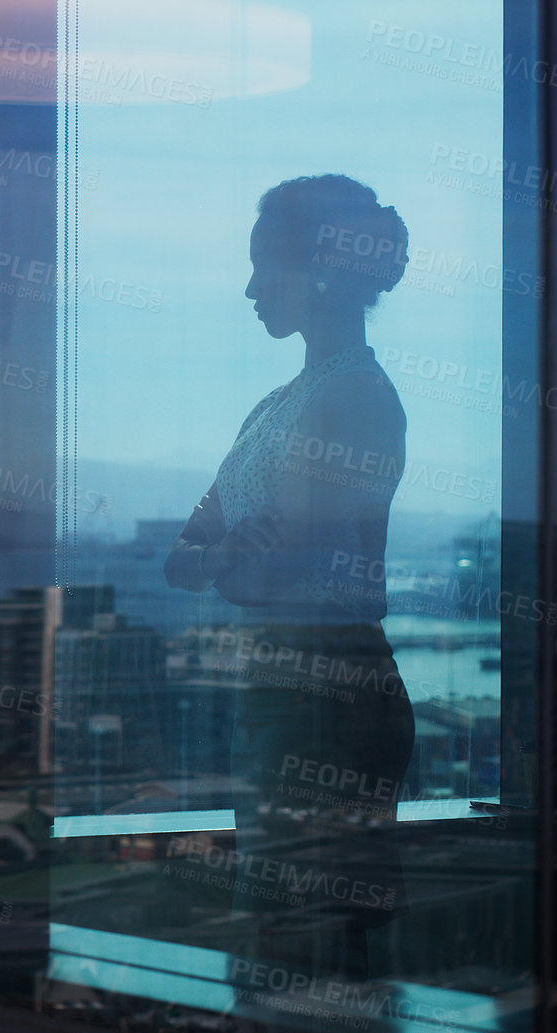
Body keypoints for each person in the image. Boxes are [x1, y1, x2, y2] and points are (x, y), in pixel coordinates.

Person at [165, 173, 416, 982]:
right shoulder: (276, 406)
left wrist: (228, 556)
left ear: (319, 271)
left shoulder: (353, 400)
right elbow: (184, 557)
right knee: (286, 928)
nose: (248, 289)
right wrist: (232, 552)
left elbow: (267, 567)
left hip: (326, 693)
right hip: (282, 690)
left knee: (304, 936)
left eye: (261, 267)